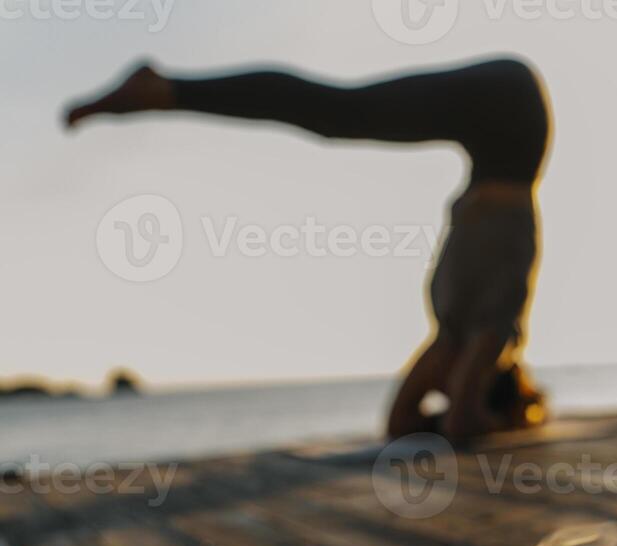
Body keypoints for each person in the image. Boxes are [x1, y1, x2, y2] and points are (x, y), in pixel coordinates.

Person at [65, 57, 551, 443]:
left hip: (500, 146)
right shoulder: (496, 334)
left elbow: (401, 424)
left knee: (340, 114)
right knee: (342, 113)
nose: (442, 389)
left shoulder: (453, 339)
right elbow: (461, 422)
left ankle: (169, 90)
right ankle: (165, 88)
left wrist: (451, 418)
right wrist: (502, 423)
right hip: (509, 116)